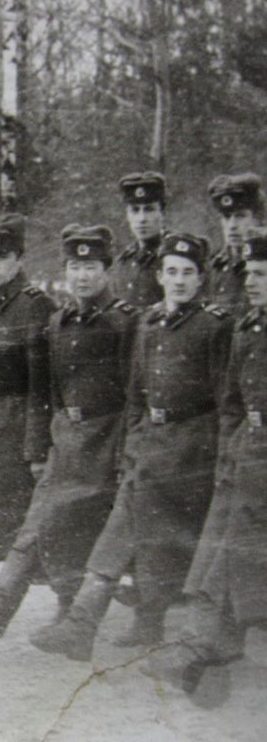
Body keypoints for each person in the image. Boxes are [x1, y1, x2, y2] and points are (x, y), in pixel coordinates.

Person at [31, 233, 233, 662]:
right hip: (150, 444)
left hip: (193, 449)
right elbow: (136, 395)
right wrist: (132, 448)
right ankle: (85, 625)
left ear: (201, 279)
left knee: (162, 542)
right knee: (123, 531)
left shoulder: (215, 326)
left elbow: (224, 400)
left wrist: (215, 457)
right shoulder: (148, 321)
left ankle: (146, 622)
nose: (179, 280)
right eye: (171, 272)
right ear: (159, 276)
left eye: (188, 273)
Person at [0, 225, 137, 638]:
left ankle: (72, 614)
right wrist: (41, 446)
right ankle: (0, 604)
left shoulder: (124, 322)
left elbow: (134, 392)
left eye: (91, 267)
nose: (82, 276)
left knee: (80, 525)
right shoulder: (59, 322)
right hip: (66, 437)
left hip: (107, 436)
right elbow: (47, 392)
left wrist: (125, 452)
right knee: (39, 520)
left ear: (106, 270)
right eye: (74, 268)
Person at [140, 235, 267, 705]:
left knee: (234, 556)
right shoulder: (249, 326)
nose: (250, 281)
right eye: (248, 273)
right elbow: (232, 402)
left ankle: (200, 651)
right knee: (219, 553)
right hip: (248, 453)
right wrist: (230, 454)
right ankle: (202, 654)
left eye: (261, 274)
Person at [0, 213, 55, 566]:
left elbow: (41, 386)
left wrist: (36, 448)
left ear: (19, 259)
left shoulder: (35, 306)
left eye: (2, 257)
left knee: (20, 526)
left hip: (14, 434)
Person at [206, 172, 265, 312]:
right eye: (226, 217)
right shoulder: (214, 266)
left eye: (240, 216)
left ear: (259, 219)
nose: (232, 225)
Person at [110, 171, 167, 308]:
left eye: (149, 209)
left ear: (162, 213)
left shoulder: (174, 257)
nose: (142, 219)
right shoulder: (122, 263)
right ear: (127, 215)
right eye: (135, 210)